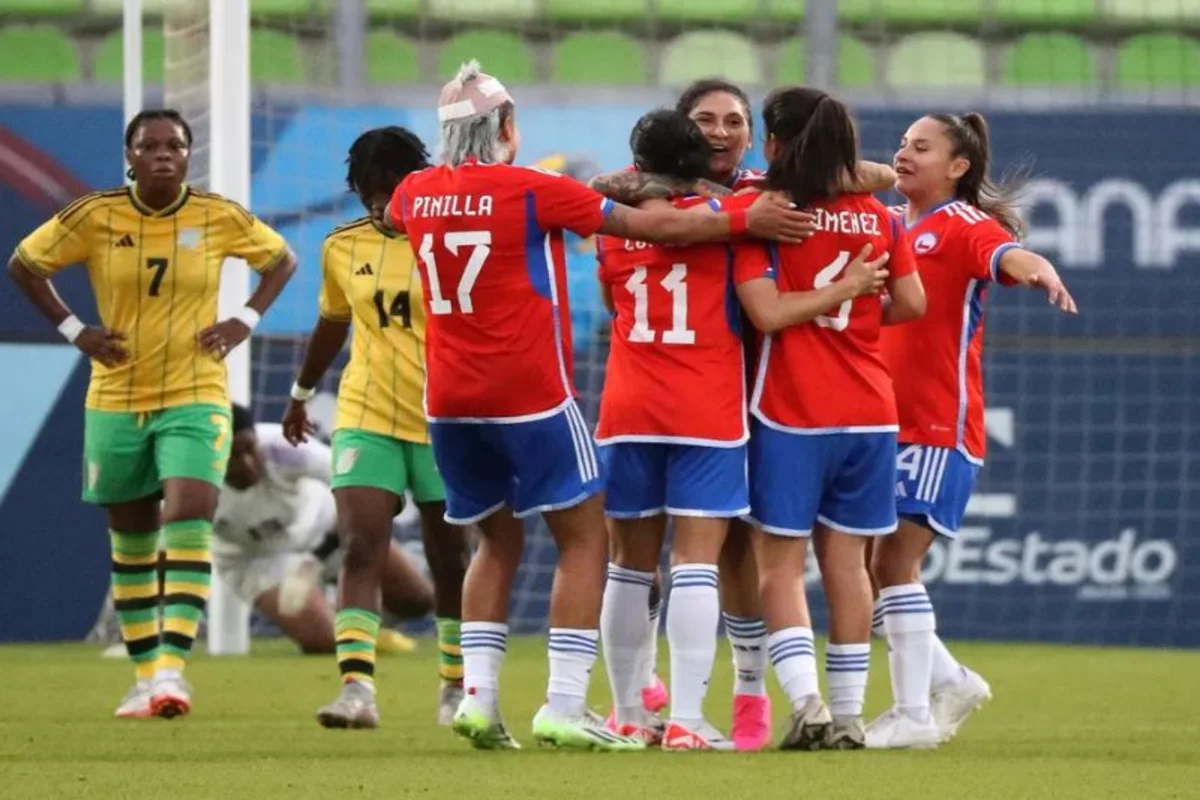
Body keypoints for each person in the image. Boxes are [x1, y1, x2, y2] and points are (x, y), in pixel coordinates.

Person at [389, 61, 815, 752]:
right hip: (573, 397)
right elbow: (665, 227)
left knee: (506, 543)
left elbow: (624, 234)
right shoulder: (537, 191)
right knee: (605, 545)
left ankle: (491, 697)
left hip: (463, 400)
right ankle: (605, 708)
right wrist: (740, 214)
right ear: (506, 127)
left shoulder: (413, 193)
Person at [588, 77, 900, 751]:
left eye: (735, 119)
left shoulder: (650, 216)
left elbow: (612, 296)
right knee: (712, 556)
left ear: (757, 135)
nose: (722, 131)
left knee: (675, 559)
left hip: (670, 400)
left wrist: (828, 177)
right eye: (706, 121)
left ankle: (712, 700)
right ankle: (685, 708)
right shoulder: (745, 213)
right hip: (729, 399)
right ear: (689, 134)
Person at [7, 109, 296, 719]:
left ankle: (172, 670)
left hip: (196, 392)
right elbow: (24, 265)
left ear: (190, 155)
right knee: (133, 539)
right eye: (150, 145)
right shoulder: (94, 215)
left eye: (176, 145)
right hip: (116, 398)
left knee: (190, 513)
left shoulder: (217, 216)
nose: (164, 154)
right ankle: (147, 676)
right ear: (129, 156)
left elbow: (281, 260)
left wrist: (244, 318)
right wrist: (74, 329)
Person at [868, 112, 1077, 749]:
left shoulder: (959, 224)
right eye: (903, 144)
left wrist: (1033, 266)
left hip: (936, 424)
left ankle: (914, 715)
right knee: (872, 565)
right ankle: (950, 681)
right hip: (878, 422)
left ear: (958, 167)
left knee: (894, 562)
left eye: (921, 147)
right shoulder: (890, 224)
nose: (904, 154)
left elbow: (1004, 253)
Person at [733, 87, 925, 750]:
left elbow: (768, 314)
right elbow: (912, 301)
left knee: (778, 567)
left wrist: (828, 299)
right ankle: (848, 718)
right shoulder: (881, 217)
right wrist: (856, 315)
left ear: (779, 143)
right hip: (871, 411)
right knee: (849, 567)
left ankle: (808, 704)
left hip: (793, 409)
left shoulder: (771, 213)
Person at [281, 126, 472, 730]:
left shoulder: (452, 240)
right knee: (361, 547)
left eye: (390, 190)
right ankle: (357, 690)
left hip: (444, 417)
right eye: (368, 192)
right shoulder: (342, 245)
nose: (380, 204)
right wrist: (301, 392)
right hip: (367, 415)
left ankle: (455, 684)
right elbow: (333, 322)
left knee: (449, 559)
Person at [214, 405, 432, 659]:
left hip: (324, 526)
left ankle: (359, 622)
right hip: (256, 560)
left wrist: (319, 555)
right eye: (233, 456)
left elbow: (356, 484)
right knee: (325, 641)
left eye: (250, 449)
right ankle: (339, 624)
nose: (247, 464)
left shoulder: (283, 447)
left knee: (417, 600)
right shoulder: (195, 482)